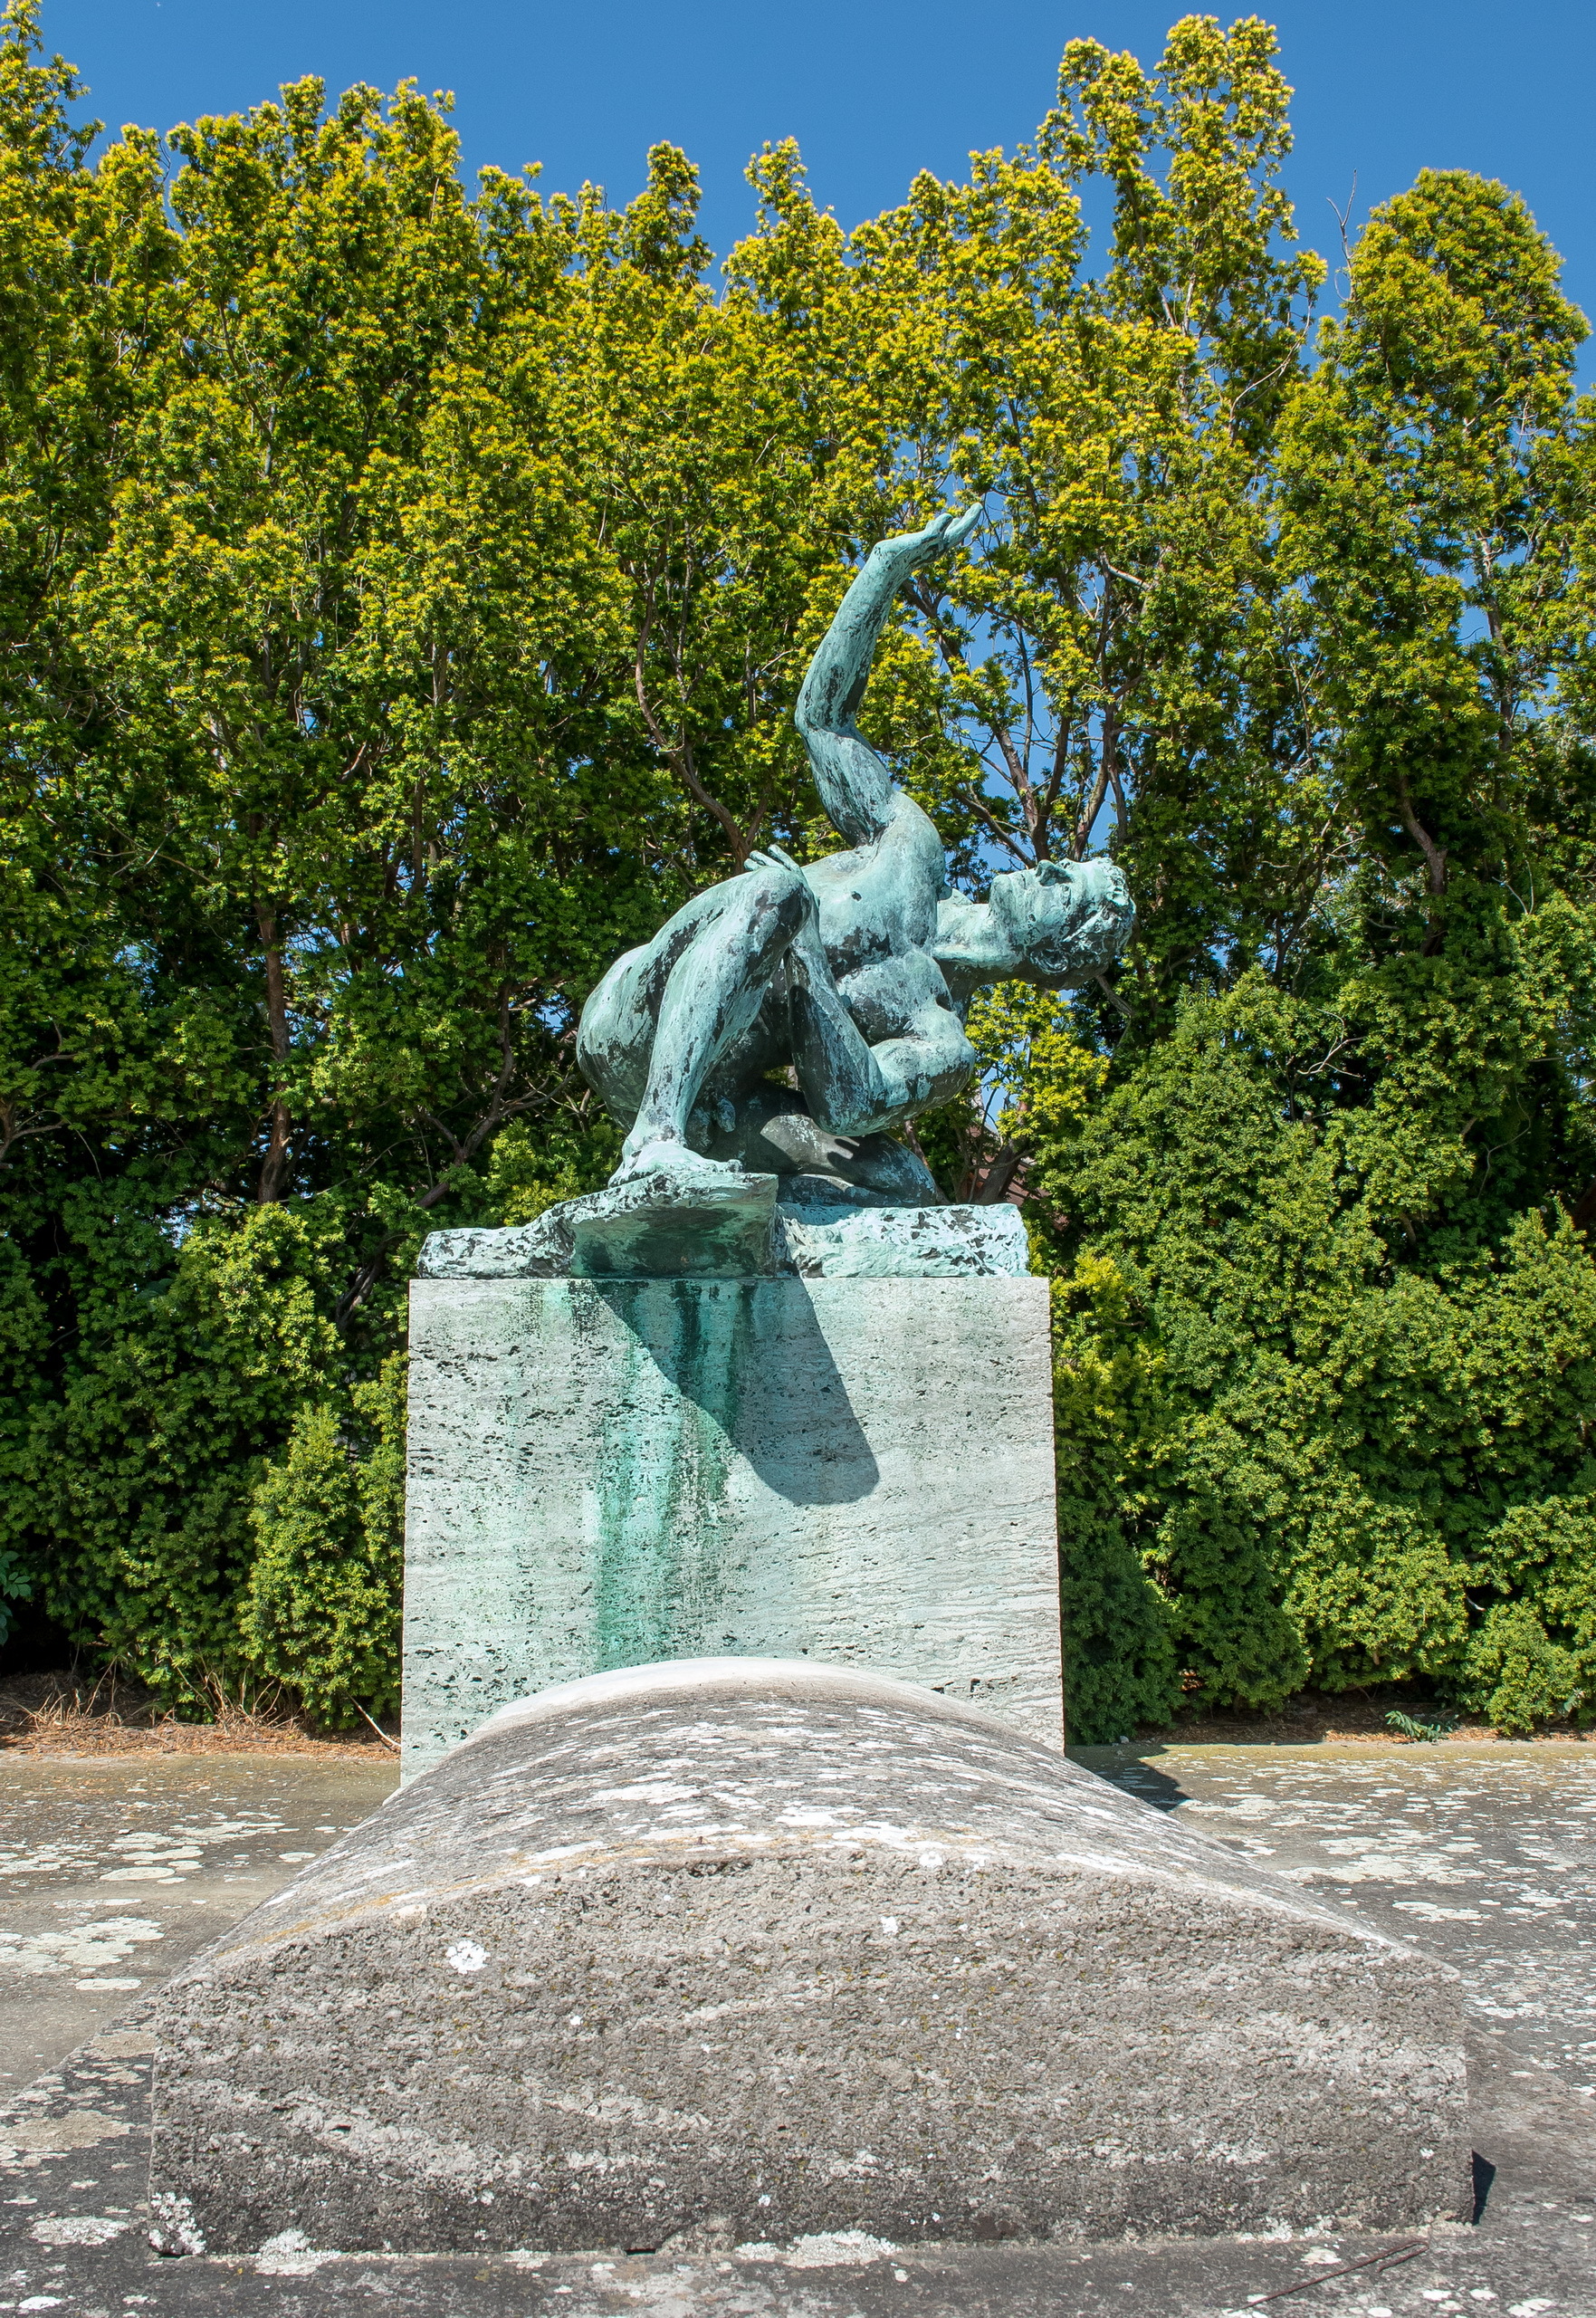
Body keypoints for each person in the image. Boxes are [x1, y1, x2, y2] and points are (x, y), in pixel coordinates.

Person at [577, 506, 1133, 1203]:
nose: (1047, 867)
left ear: (1054, 956)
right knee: (775, 897)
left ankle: (740, 1225)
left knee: (897, 1179)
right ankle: (653, 1141)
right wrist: (883, 569)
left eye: (1064, 890)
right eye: (1063, 866)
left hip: (728, 1105)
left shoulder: (941, 1040)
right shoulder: (909, 850)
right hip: (636, 1032)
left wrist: (805, 947)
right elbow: (823, 720)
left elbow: (848, 1106)